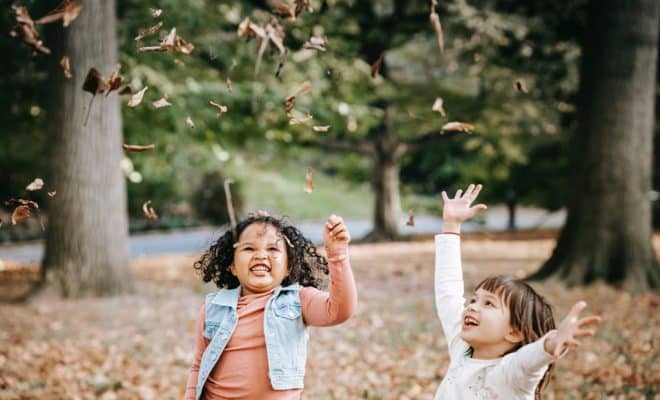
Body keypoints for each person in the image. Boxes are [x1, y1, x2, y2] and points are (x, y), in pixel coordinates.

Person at [434, 184, 601, 400]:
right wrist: (451, 225)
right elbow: (448, 290)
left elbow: (530, 360)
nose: (472, 306)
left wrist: (550, 343)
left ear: (513, 332)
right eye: (475, 299)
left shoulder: (511, 375)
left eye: (489, 304)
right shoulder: (461, 347)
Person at [184, 212, 357, 400]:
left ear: (288, 266)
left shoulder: (298, 299)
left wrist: (338, 255)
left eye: (273, 249)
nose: (260, 255)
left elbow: (340, 311)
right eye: (249, 248)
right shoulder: (214, 307)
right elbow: (199, 365)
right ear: (232, 265)